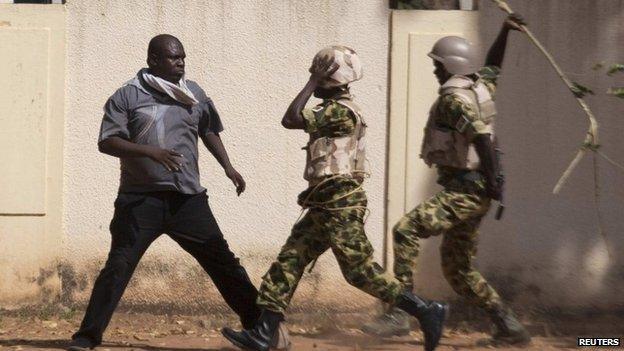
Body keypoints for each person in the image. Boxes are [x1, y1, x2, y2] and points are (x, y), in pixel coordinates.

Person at [67, 34, 288, 350]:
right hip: (141, 200)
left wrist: (228, 166)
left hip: (187, 200)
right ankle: (87, 336)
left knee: (223, 263)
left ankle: (260, 330)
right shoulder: (128, 96)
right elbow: (107, 141)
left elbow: (208, 129)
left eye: (183, 57)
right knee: (117, 267)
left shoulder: (193, 93)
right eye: (173, 57)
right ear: (153, 60)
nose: (181, 62)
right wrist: (150, 152)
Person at [221, 46, 447, 351]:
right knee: (290, 261)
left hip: (340, 206)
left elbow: (289, 119)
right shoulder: (336, 109)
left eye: (319, 74)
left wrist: (312, 81)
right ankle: (263, 333)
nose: (314, 80)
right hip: (324, 204)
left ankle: (425, 310)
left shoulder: (338, 111)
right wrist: (316, 79)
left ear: (329, 78)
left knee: (359, 271)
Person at [361, 14, 532, 346]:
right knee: (459, 270)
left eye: (439, 65)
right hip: (475, 189)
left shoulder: (454, 99)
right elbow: (494, 66)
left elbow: (481, 137)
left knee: (406, 229)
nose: (436, 70)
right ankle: (509, 326)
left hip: (467, 188)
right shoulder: (478, 86)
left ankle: (400, 313)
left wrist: (494, 178)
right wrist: (505, 31)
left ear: (453, 66)